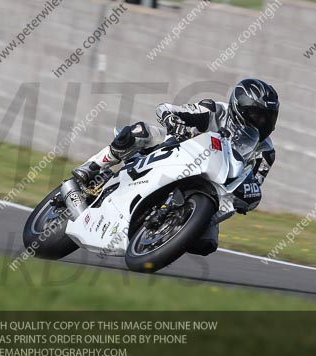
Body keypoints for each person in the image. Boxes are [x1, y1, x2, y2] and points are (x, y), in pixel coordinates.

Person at [71, 78, 279, 256]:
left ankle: (162, 230)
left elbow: (254, 182)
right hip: (176, 150)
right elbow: (166, 109)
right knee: (140, 132)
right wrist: (174, 121)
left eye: (268, 117)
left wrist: (249, 196)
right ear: (239, 107)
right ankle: (93, 166)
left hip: (214, 188)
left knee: (206, 244)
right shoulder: (214, 110)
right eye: (257, 115)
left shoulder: (266, 151)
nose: (262, 122)